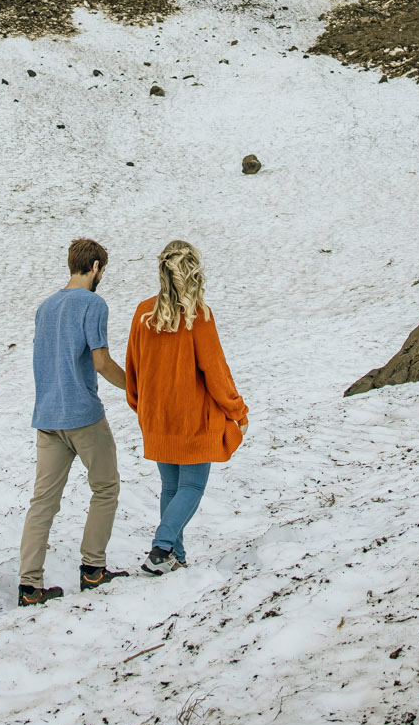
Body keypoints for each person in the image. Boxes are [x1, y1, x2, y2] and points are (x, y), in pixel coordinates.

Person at [123, 239, 248, 575]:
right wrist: (238, 411)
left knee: (171, 487)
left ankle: (174, 554)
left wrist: (142, 406)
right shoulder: (198, 317)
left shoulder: (143, 314)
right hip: (191, 418)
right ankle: (162, 546)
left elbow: (132, 367)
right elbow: (216, 373)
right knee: (191, 487)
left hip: (156, 415)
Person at [17, 237, 130, 607]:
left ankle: (29, 588)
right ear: (96, 267)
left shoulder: (44, 307)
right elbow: (101, 362)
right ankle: (93, 569)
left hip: (47, 417)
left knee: (42, 503)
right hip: (83, 416)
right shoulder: (93, 304)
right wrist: (137, 387)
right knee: (106, 488)